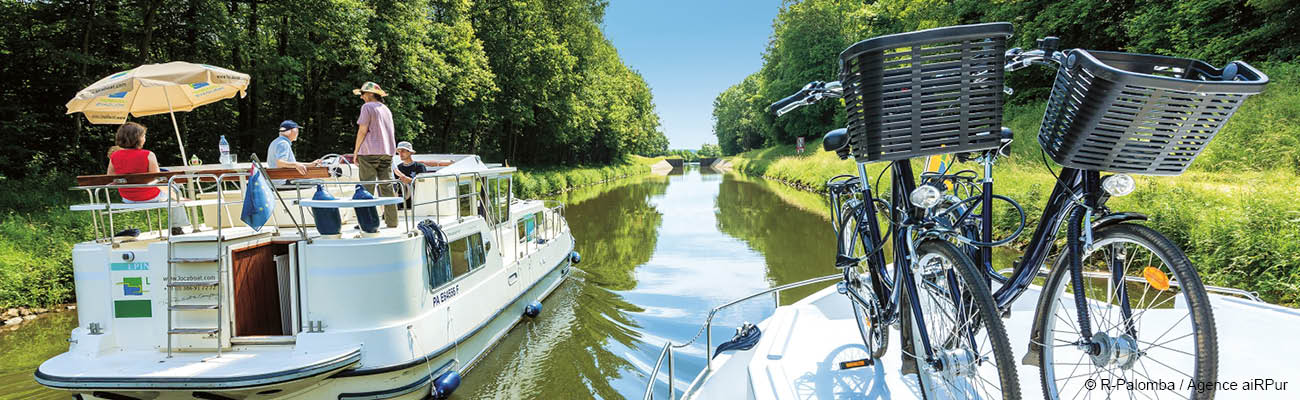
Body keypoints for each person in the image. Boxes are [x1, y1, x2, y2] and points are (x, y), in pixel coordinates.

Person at [106, 122, 191, 236]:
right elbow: (159, 182)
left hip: (128, 198)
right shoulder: (148, 155)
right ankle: (176, 226)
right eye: (143, 135)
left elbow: (110, 179)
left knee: (173, 188)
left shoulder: (114, 156)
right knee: (175, 187)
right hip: (150, 196)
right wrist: (179, 198)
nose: (144, 138)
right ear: (138, 138)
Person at [352, 81, 399, 228]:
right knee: (387, 188)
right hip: (387, 153)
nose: (361, 97)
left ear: (371, 94)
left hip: (369, 152)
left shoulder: (367, 107)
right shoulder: (386, 109)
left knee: (367, 188)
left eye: (363, 94)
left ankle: (366, 223)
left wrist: (356, 152)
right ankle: (392, 222)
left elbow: (362, 130)